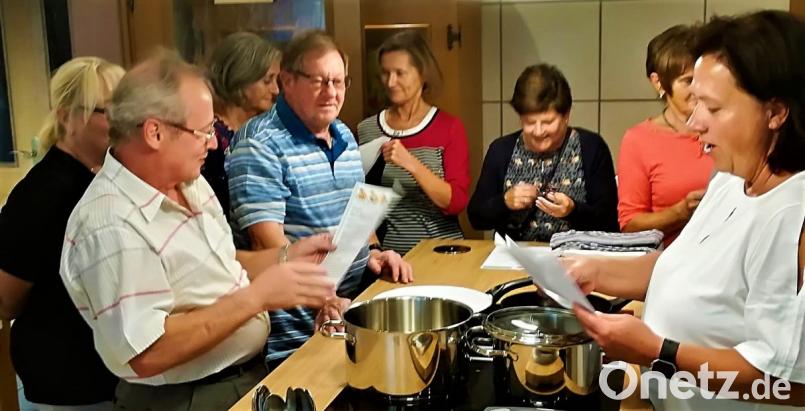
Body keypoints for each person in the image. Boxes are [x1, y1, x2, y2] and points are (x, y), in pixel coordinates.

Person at [59, 51, 338, 411]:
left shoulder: (188, 181)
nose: (211, 142)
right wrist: (257, 298)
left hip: (241, 378)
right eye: (203, 131)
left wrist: (285, 260)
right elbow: (147, 351)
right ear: (154, 132)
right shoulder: (111, 224)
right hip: (184, 398)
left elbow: (219, 263)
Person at [567, 11, 805, 410]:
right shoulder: (728, 179)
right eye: (694, 103)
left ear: (776, 112)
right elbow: (686, 268)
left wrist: (659, 352)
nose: (694, 122)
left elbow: (789, 384)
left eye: (712, 108)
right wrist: (592, 269)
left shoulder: (792, 219)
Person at [226, 30, 413, 368]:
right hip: (294, 337)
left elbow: (355, 215)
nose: (331, 92)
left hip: (348, 314)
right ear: (287, 80)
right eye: (319, 81)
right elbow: (271, 247)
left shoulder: (341, 132)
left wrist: (373, 252)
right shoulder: (259, 144)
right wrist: (325, 299)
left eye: (339, 81)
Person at [0, 57, 123, 411]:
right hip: (68, 377)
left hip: (111, 373)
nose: (121, 123)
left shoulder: (108, 179)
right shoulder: (40, 194)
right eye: (108, 111)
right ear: (69, 116)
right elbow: (7, 298)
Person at [467, 63, 618, 242]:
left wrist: (573, 210)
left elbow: (609, 223)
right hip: (514, 261)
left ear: (566, 114)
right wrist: (505, 202)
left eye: (547, 122)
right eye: (530, 122)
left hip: (576, 259)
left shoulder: (591, 147)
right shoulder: (501, 150)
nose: (538, 131)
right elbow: (475, 218)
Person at [357, 30, 470, 255]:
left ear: (422, 74)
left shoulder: (449, 128)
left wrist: (411, 163)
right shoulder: (367, 129)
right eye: (385, 73)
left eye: (400, 73)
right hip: (389, 257)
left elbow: (455, 202)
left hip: (441, 253)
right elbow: (361, 204)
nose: (390, 82)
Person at [617, 25, 713, 246]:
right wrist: (679, 213)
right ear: (658, 82)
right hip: (666, 264)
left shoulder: (728, 130)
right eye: (688, 81)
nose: (699, 89)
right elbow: (630, 225)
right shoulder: (638, 140)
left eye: (704, 79)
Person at [202, 32, 281, 220]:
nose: (276, 90)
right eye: (267, 80)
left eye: (276, 80)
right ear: (241, 78)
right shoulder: (211, 139)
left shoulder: (265, 128)